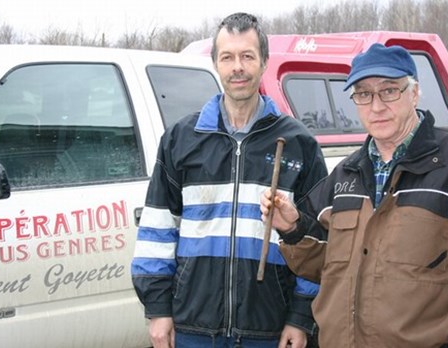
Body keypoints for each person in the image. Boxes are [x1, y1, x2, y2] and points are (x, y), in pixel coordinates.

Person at [260, 43, 448, 348]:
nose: (376, 106)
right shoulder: (345, 175)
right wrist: (293, 228)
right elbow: (329, 267)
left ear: (414, 93)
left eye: (389, 91)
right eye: (363, 94)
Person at [131, 12, 328, 348]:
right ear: (216, 63)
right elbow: (157, 230)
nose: (238, 67)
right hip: (192, 325)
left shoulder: (299, 143)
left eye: (247, 56)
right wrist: (158, 309)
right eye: (228, 57)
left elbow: (319, 240)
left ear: (263, 62)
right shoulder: (180, 139)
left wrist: (300, 316)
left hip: (268, 328)